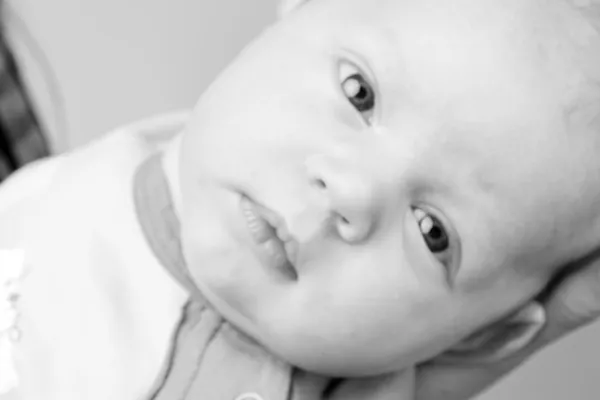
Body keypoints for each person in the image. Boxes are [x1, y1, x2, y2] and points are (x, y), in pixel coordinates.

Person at [1, 0, 600, 398]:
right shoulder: (50, 208)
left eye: (432, 231)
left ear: (481, 336)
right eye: (358, 91)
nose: (353, 190)